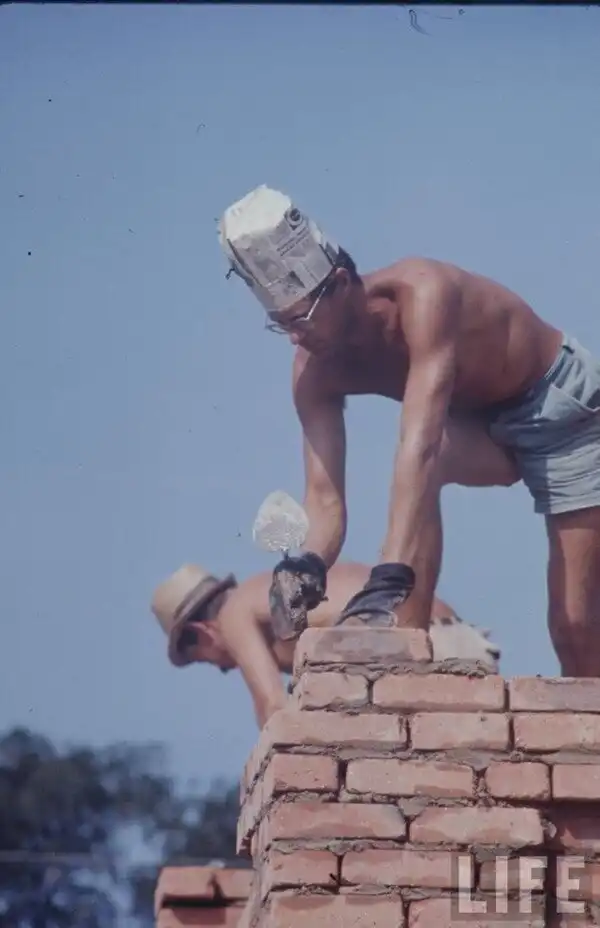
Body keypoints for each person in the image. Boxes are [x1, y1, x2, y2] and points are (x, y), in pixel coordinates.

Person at [218, 185, 600, 677]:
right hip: (479, 423)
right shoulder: (312, 373)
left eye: (301, 318)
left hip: (559, 410)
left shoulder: (423, 293)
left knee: (574, 626)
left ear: (340, 283)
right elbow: (325, 501)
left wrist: (388, 574)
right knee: (430, 470)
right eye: (280, 324)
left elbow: (418, 445)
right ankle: (406, 646)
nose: (295, 336)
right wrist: (307, 565)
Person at [151, 562, 501, 728]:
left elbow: (273, 710)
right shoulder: (269, 596)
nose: (224, 669)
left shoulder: (234, 612)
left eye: (206, 660)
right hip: (463, 645)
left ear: (203, 632)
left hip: (420, 656)